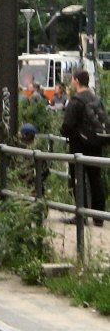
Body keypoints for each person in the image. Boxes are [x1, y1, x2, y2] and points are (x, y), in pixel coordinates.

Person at [61, 69, 106, 226]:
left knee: (78, 179)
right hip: (96, 144)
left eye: (73, 79)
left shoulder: (76, 101)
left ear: (76, 81)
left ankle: (81, 213)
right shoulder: (96, 99)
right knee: (96, 179)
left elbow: (67, 124)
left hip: (78, 145)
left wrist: (65, 133)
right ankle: (99, 216)